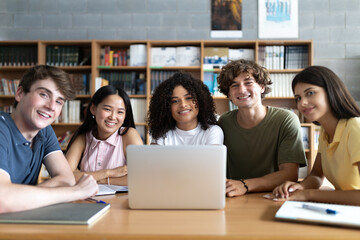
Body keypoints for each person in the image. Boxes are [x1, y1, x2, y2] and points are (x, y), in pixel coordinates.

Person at [0, 65, 98, 214]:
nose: (51, 106)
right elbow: (3, 200)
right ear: (20, 93)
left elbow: (66, 179)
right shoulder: (2, 128)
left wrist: (22, 198)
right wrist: (77, 192)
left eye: (59, 101)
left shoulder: (44, 131)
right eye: (44, 94)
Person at [271, 66, 360, 205]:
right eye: (298, 98)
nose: (302, 103)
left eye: (310, 93)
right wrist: (301, 187)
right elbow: (316, 175)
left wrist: (308, 194)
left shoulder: (355, 127)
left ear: (331, 91)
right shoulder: (325, 132)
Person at [217, 59, 307, 197]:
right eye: (234, 85)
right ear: (228, 94)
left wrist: (244, 185)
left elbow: (290, 174)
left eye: (248, 83)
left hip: (273, 197)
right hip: (233, 198)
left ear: (262, 87)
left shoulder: (285, 120)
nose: (241, 89)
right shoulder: (224, 122)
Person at [66, 85, 143, 186]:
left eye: (120, 112)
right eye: (107, 109)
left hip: (120, 201)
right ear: (93, 109)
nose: (113, 117)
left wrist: (101, 180)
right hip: (86, 200)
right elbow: (65, 175)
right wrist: (109, 173)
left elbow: (140, 176)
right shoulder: (83, 138)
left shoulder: (128, 135)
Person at [147, 72, 223, 145]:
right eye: (175, 101)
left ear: (200, 101)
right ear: (166, 107)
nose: (183, 105)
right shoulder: (161, 134)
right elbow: (154, 158)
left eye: (188, 98)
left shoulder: (213, 132)